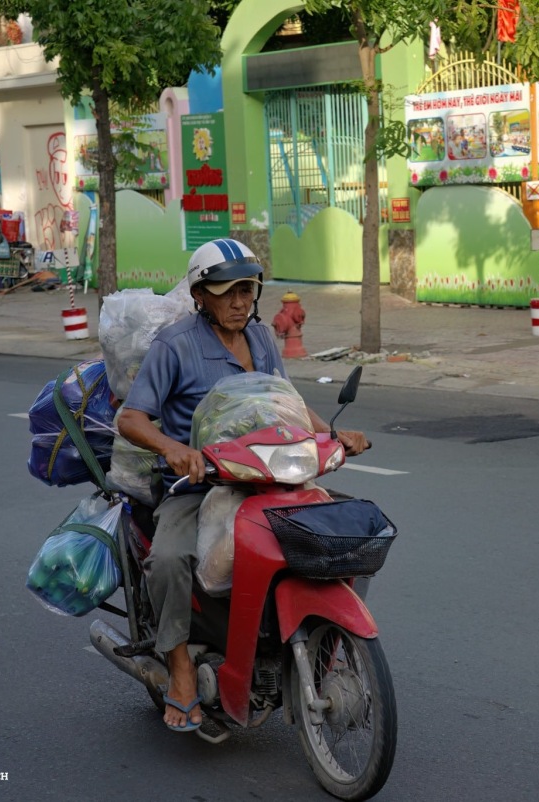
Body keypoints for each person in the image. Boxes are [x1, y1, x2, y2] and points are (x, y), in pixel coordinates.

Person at [117, 238, 369, 732]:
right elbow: (131, 417)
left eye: (247, 291)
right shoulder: (176, 345)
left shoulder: (260, 341)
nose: (239, 302)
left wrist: (330, 435)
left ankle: (303, 637)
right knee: (170, 558)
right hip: (201, 485)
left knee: (341, 534)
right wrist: (173, 448)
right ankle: (182, 667)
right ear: (200, 295)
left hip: (268, 477)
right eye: (227, 291)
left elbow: (286, 403)